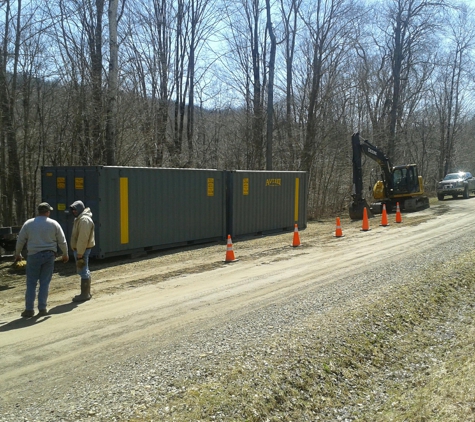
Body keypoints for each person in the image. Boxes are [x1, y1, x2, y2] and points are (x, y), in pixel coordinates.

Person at [15, 202, 69, 318]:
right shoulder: (54, 224)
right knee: (44, 282)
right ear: (48, 212)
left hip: (33, 255)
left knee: (31, 283)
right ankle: (42, 308)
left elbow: (20, 240)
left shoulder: (29, 224)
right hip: (49, 256)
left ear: (38, 212)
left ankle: (29, 310)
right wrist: (65, 254)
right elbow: (62, 241)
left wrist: (18, 253)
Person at [69, 200, 95, 302]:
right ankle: (86, 293)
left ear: (80, 208)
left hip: (82, 250)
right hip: (82, 250)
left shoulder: (84, 220)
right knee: (84, 270)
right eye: (72, 209)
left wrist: (80, 252)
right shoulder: (79, 219)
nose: (74, 211)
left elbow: (83, 238)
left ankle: (85, 295)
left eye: (75, 209)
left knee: (83, 271)